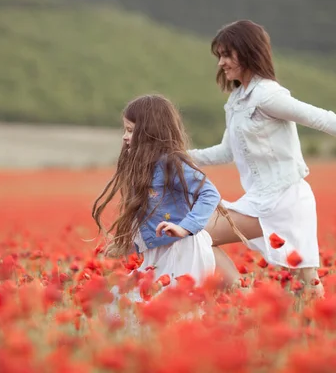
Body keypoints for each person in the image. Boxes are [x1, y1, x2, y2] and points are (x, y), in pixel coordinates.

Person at [188, 20, 336, 296]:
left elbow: (320, 118)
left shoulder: (267, 96)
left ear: (248, 51)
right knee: (308, 287)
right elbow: (226, 151)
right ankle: (322, 325)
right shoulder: (238, 101)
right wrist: (178, 156)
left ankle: (242, 297)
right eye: (219, 56)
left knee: (200, 234)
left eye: (227, 54)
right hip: (264, 198)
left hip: (282, 198)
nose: (221, 63)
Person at [92, 94, 247, 291]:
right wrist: (128, 246)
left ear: (149, 132)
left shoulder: (171, 164)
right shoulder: (145, 169)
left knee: (165, 305)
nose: (125, 136)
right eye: (125, 130)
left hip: (182, 251)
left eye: (130, 130)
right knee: (123, 300)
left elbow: (209, 194)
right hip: (161, 253)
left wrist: (185, 227)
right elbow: (149, 222)